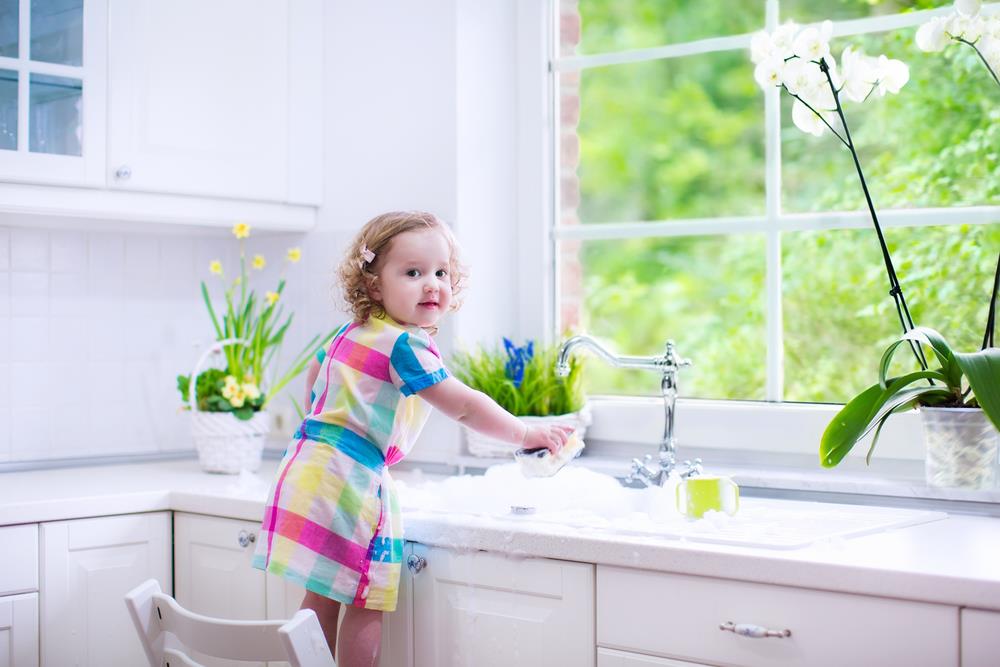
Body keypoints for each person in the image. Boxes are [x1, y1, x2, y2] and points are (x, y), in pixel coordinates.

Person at [251, 210, 573, 666]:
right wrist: (526, 432)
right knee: (365, 599)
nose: (433, 284)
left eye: (442, 272)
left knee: (320, 596)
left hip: (305, 467)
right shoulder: (405, 344)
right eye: (413, 272)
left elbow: (313, 373)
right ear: (373, 285)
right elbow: (463, 404)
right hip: (348, 480)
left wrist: (333, 432)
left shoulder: (351, 332)